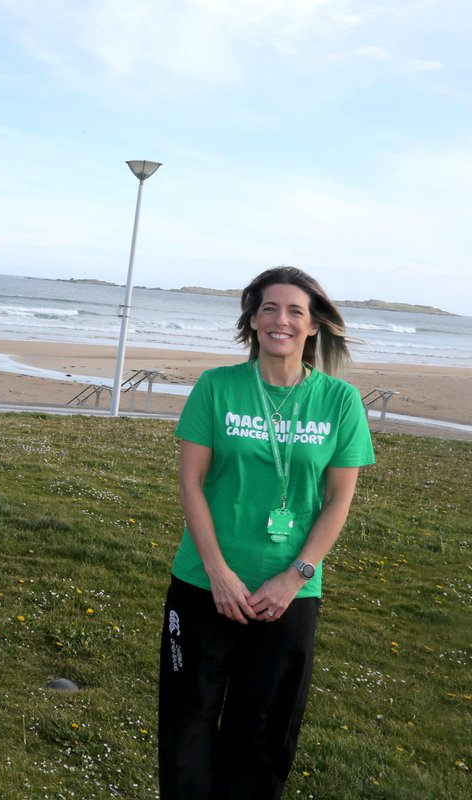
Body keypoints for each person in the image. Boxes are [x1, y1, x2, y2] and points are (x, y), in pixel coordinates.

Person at [158, 266, 375, 799]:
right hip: (204, 582)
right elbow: (191, 483)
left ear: (313, 325)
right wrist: (217, 572)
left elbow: (338, 499)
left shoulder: (340, 401)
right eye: (270, 308)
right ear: (252, 320)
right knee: (189, 722)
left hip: (290, 592)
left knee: (265, 731)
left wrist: (295, 577)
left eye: (295, 310)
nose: (282, 320)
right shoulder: (217, 387)